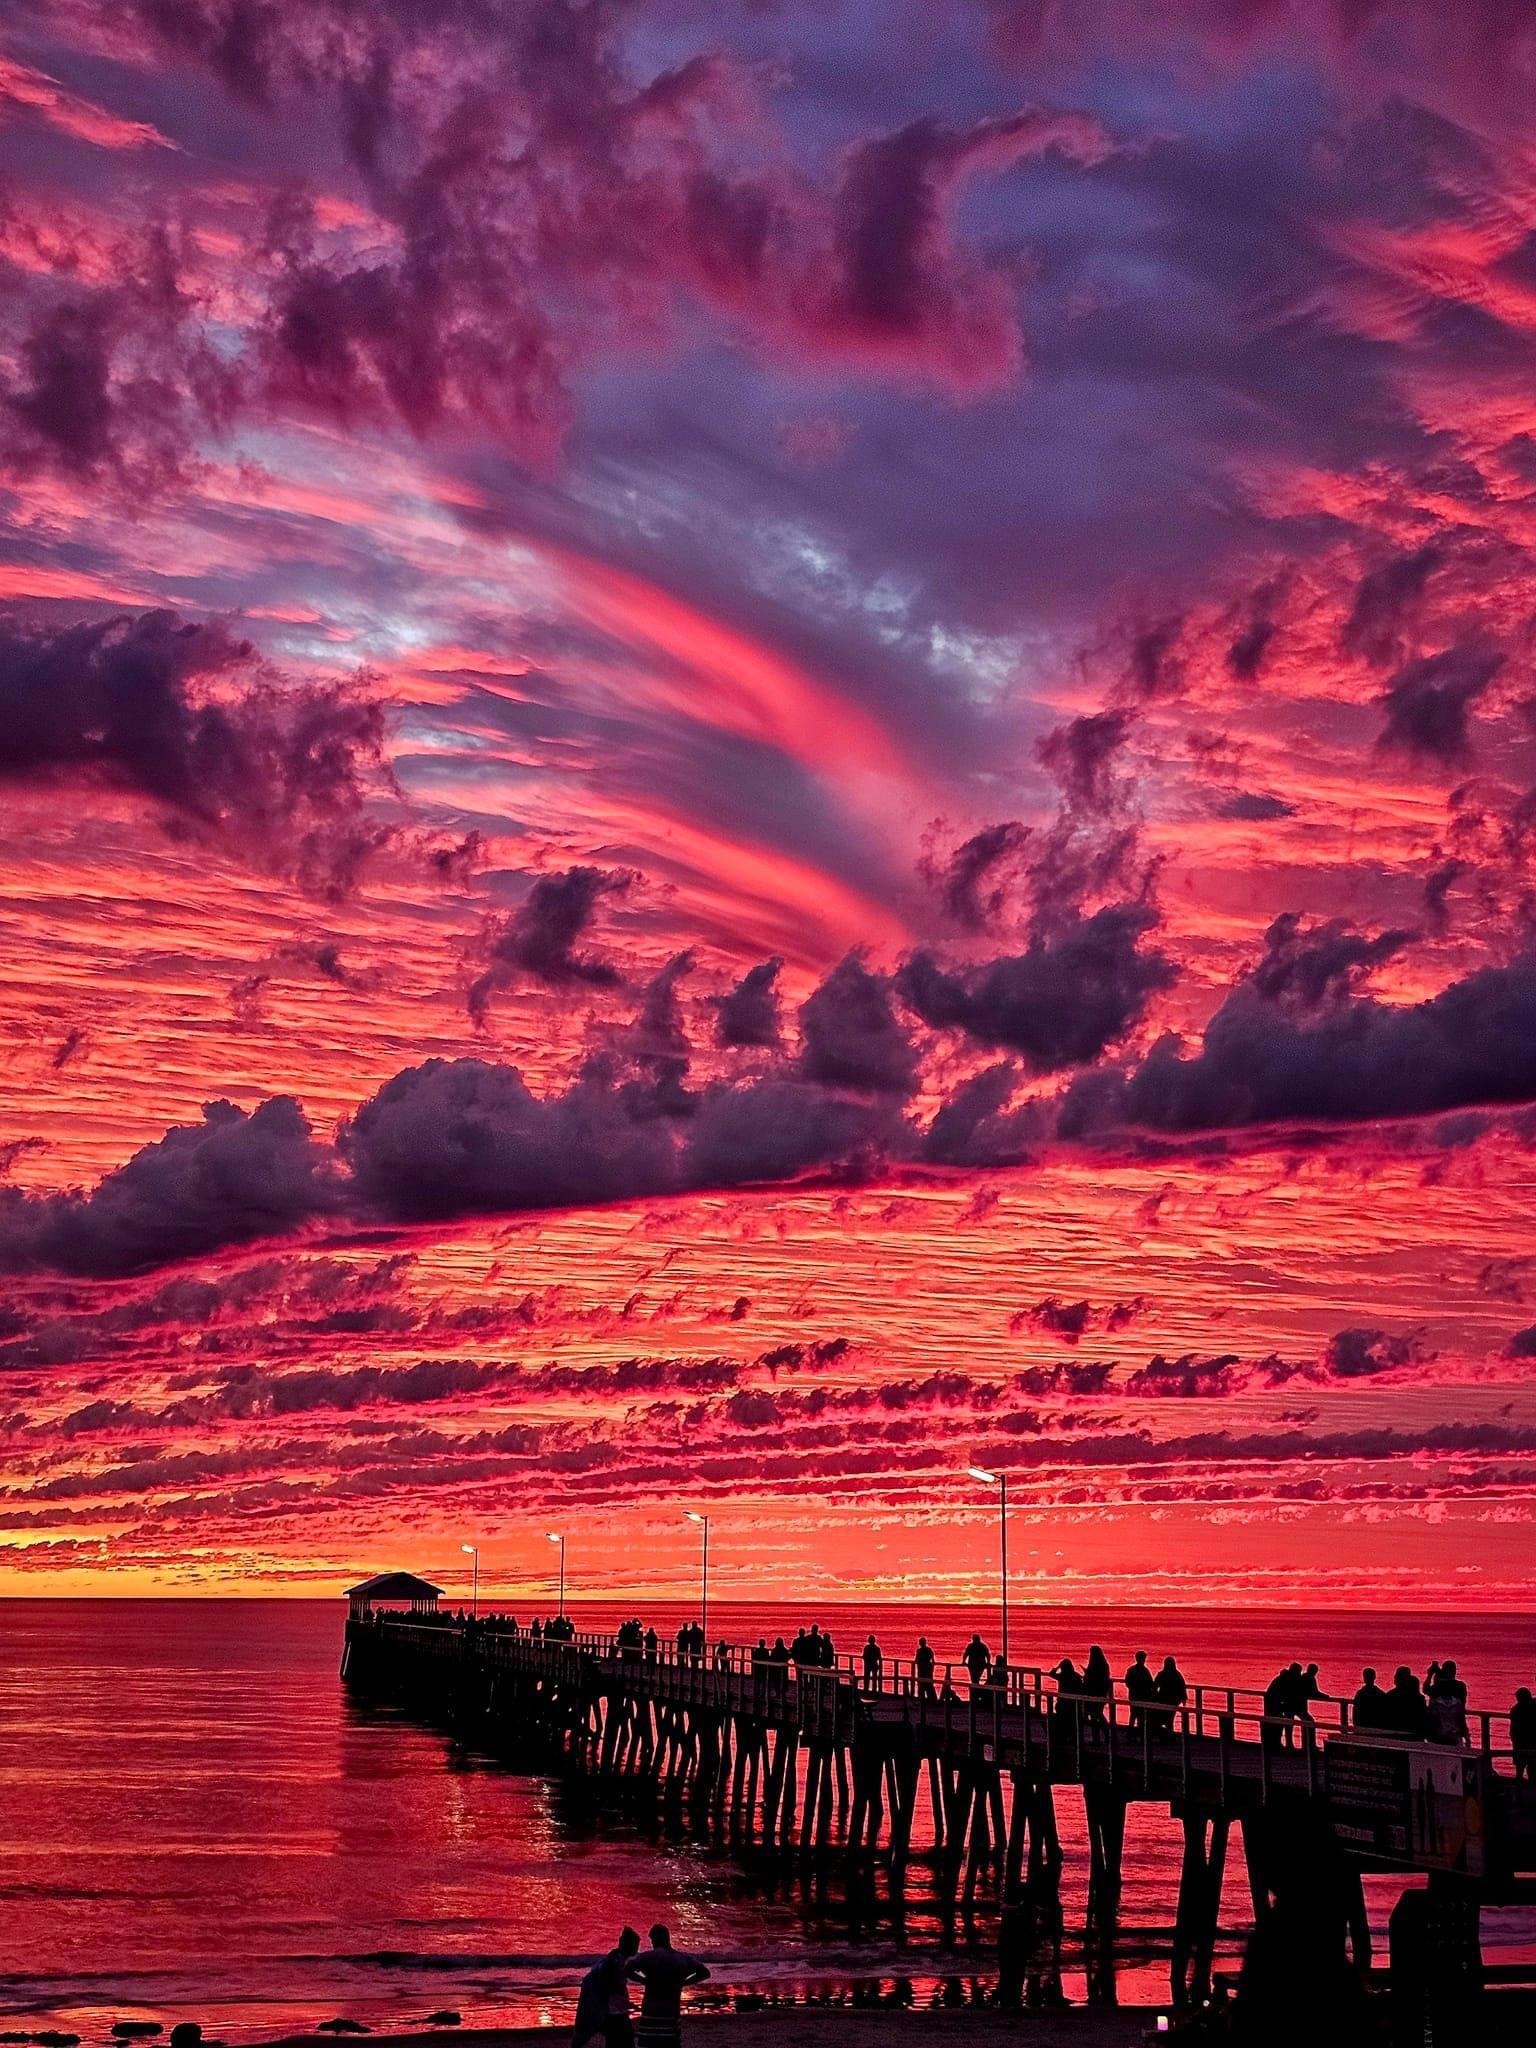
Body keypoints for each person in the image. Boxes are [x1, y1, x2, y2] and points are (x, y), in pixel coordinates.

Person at [625, 1923, 710, 2048]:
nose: (652, 1944)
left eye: (652, 1940)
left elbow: (627, 1969)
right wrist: (684, 1982)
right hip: (671, 2010)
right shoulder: (681, 1958)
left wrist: (644, 1980)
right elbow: (704, 1973)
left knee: (648, 2044)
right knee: (671, 2043)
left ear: (656, 1938)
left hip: (651, 2009)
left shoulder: (647, 1957)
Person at [574, 1926, 640, 2048]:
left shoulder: (616, 1961)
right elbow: (610, 1986)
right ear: (628, 1945)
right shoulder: (612, 1963)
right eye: (636, 1945)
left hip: (616, 2011)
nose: (637, 1950)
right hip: (613, 2013)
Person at [1425, 1658, 1469, 1745]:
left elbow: (1426, 1689)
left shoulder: (1438, 1687)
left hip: (1438, 1729)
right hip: (1456, 1727)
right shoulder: (1461, 1686)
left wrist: (1430, 1674)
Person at [1386, 1664, 1428, 1740]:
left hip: (1396, 1735)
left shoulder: (1391, 1695)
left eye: (1396, 1675)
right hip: (1414, 1735)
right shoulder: (1419, 1698)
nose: (1394, 1677)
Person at [1153, 1654, 1187, 1735]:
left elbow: (1154, 1687)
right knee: (1170, 1719)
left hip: (1163, 1700)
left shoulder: (1161, 1674)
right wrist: (1183, 1698)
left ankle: (1167, 1735)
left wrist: (1156, 1697)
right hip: (1174, 1701)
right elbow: (1182, 1687)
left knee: (1162, 1718)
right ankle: (1169, 1734)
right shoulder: (1177, 1674)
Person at [1125, 1650, 1155, 1735]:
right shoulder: (1145, 1671)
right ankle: (1138, 1734)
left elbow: (1127, 1682)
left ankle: (1131, 1734)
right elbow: (1150, 1684)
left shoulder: (1132, 1670)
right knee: (1140, 1716)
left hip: (1134, 1695)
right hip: (1141, 1696)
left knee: (1134, 1715)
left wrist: (1132, 1688)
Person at [1082, 1644, 1112, 1731]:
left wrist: (1087, 1674)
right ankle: (1101, 1735)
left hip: (1094, 1692)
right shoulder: (1104, 1665)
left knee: (1096, 1714)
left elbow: (1095, 1678)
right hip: (1099, 1692)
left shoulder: (1095, 1665)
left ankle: (1105, 1733)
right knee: (1096, 1714)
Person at [1352, 1666, 1389, 1732]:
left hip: (1363, 1725)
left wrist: (1356, 1726)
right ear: (1374, 1677)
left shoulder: (1360, 1693)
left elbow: (1355, 1711)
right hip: (1375, 1726)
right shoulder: (1380, 1693)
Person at [1512, 1686, 1536, 1782]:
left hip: (1520, 1742)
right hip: (1530, 1742)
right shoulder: (1533, 1706)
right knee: (1532, 1768)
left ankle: (1520, 1788)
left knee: (1520, 1768)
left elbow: (1514, 1730)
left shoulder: (1515, 1710)